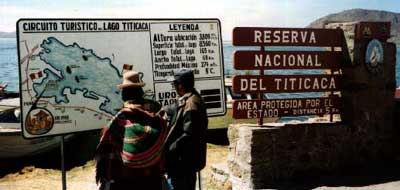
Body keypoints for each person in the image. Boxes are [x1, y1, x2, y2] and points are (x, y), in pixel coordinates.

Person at [95, 71, 167, 190]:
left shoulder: (120, 118)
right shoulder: (157, 111)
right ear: (141, 92)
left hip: (127, 178)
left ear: (125, 95)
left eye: (123, 92)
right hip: (153, 176)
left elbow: (106, 143)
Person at [164, 69, 208, 190]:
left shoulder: (191, 105)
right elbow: (176, 108)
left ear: (180, 85)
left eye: (175, 84)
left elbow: (188, 135)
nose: (174, 87)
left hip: (183, 164)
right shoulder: (192, 99)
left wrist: (168, 149)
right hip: (186, 163)